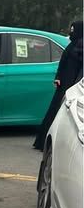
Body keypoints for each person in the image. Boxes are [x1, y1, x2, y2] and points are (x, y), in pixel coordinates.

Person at [33, 20, 84, 150]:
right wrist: (58, 77)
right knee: (55, 111)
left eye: (73, 30)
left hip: (71, 87)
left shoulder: (80, 46)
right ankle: (44, 142)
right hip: (65, 84)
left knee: (61, 114)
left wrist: (73, 85)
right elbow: (64, 63)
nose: (71, 33)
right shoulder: (73, 45)